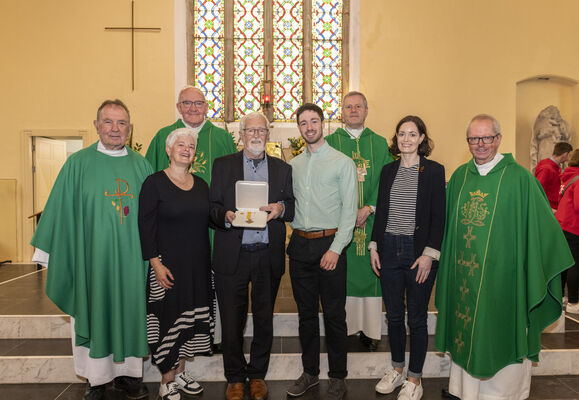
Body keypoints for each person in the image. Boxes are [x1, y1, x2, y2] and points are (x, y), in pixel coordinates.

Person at [435, 114, 574, 400]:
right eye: (474, 139)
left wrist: (531, 266)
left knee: (501, 334)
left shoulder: (520, 178)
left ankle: (504, 394)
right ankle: (465, 391)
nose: (481, 144)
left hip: (505, 280)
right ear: (468, 142)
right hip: (465, 280)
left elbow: (542, 229)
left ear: (498, 139)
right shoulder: (460, 177)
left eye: (487, 138)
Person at [30, 100, 152, 400]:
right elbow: (59, 208)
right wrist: (49, 253)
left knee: (131, 310)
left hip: (131, 262)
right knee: (93, 308)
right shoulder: (78, 164)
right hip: (91, 263)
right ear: (96, 125)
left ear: (130, 128)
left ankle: (129, 377)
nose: (115, 129)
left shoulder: (141, 165)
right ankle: (95, 380)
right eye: (108, 122)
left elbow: (154, 213)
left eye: (121, 123)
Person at [209, 111, 294, 400]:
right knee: (232, 320)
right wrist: (227, 216)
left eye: (261, 130)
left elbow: (292, 205)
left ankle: (257, 374)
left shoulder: (283, 168)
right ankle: (234, 377)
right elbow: (211, 208)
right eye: (250, 130)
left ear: (268, 135)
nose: (256, 135)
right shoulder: (222, 166)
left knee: (263, 317)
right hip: (233, 254)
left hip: (266, 255)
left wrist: (280, 209)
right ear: (241, 135)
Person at [369, 116, 445, 400]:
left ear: (422, 138)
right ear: (396, 138)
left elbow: (439, 218)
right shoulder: (388, 171)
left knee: (417, 317)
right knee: (394, 317)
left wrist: (429, 255)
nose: (406, 139)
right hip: (389, 248)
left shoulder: (434, 171)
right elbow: (382, 210)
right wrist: (374, 245)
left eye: (412, 134)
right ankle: (397, 369)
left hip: (418, 252)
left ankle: (415, 378)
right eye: (402, 134)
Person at [286, 103, 357, 400]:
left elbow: (350, 211)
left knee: (334, 315)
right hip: (300, 244)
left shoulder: (342, 163)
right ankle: (310, 372)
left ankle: (338, 376)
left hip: (330, 245)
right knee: (305, 315)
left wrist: (336, 249)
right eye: (304, 123)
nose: (309, 127)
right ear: (299, 128)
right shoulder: (294, 165)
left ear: (323, 124)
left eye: (314, 121)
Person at [138, 128, 214, 400]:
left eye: (191, 145)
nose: (186, 148)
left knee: (190, 322)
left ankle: (180, 372)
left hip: (197, 266)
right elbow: (145, 226)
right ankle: (166, 380)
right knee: (168, 320)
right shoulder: (154, 183)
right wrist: (155, 263)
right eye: (180, 144)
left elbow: (211, 220)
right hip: (167, 267)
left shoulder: (201, 184)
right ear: (169, 150)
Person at [325, 91, 393, 350]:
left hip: (373, 220)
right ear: (341, 111)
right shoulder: (330, 142)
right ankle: (347, 327)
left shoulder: (379, 143)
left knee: (371, 273)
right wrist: (347, 212)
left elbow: (387, 178)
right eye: (348, 106)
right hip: (341, 222)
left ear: (366, 111)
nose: (353, 110)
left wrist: (369, 208)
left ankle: (370, 331)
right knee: (345, 274)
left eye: (358, 106)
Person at [145, 85, 237, 182]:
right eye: (187, 103)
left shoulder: (223, 137)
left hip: (211, 197)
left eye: (199, 103)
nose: (193, 109)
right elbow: (148, 173)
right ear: (179, 107)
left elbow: (234, 174)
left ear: (206, 108)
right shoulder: (163, 136)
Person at [556, 149, 579, 314]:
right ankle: (573, 302)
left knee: (564, 263)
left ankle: (561, 298)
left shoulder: (568, 176)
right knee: (575, 264)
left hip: (561, 224)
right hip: (573, 226)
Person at [534, 141, 573, 210]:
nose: (569, 159)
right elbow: (538, 190)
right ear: (565, 154)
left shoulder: (555, 167)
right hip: (549, 207)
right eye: (569, 155)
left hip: (554, 206)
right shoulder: (546, 169)